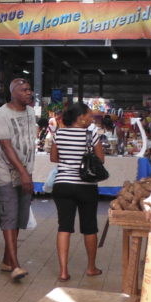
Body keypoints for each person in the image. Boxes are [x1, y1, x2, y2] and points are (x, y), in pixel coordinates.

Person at [49, 102, 104, 281]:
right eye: (89, 115)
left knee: (64, 226)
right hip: (86, 186)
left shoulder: (59, 133)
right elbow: (101, 159)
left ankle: (63, 271)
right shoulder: (91, 134)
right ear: (80, 118)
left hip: (62, 184)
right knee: (89, 227)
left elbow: (53, 158)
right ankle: (91, 267)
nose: (91, 118)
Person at [0, 78, 38, 281]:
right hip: (7, 174)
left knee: (19, 218)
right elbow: (6, 146)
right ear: (13, 93)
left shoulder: (30, 112)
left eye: (29, 89)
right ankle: (16, 265)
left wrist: (27, 173)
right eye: (24, 90)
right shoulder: (2, 114)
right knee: (9, 218)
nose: (29, 93)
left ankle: (7, 259)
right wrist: (22, 173)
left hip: (26, 172)